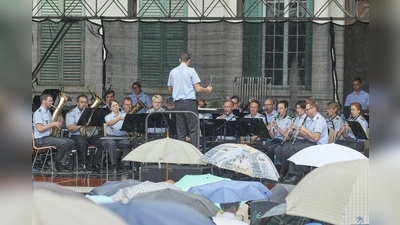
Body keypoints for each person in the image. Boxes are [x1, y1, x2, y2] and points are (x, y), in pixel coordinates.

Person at [167, 51, 212, 149]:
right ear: (189, 61)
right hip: (189, 103)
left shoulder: (173, 71)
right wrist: (207, 89)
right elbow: (198, 89)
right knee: (193, 130)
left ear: (179, 60)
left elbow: (170, 88)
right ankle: (194, 156)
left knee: (181, 130)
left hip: (177, 104)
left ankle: (181, 156)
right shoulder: (191, 71)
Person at [283, 99, 328, 184]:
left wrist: (305, 130)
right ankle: (290, 173)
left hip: (317, 145)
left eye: (307, 110)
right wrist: (299, 131)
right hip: (311, 142)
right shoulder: (314, 119)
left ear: (314, 108)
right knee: (291, 149)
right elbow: (308, 136)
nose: (306, 112)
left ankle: (296, 175)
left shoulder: (319, 120)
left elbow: (316, 138)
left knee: (295, 150)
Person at [32, 93, 75, 172]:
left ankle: (58, 160)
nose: (52, 103)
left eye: (52, 101)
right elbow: (40, 129)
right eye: (50, 101)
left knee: (71, 142)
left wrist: (60, 120)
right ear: (43, 101)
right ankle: (58, 163)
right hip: (41, 139)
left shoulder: (48, 112)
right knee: (63, 143)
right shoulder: (38, 113)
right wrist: (53, 124)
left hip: (48, 137)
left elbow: (54, 123)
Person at [65, 94, 103, 172]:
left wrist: (93, 122)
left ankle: (95, 164)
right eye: (82, 102)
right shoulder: (71, 113)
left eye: (86, 102)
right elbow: (70, 128)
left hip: (91, 135)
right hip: (77, 135)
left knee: (103, 143)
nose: (84, 104)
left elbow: (99, 125)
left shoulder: (91, 112)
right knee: (82, 143)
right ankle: (83, 164)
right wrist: (82, 124)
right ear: (77, 103)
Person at [275, 100, 308, 180]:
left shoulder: (306, 119)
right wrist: (289, 131)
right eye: (297, 108)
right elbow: (291, 134)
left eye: (300, 108)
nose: (298, 110)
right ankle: (285, 167)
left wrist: (295, 129)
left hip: (302, 140)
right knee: (278, 149)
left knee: (285, 150)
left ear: (304, 109)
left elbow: (306, 133)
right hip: (294, 139)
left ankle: (284, 173)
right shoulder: (296, 118)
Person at [102, 100, 131, 175]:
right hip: (110, 137)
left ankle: (126, 166)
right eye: (113, 106)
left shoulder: (125, 115)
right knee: (111, 144)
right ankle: (114, 166)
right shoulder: (108, 116)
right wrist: (118, 118)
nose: (116, 107)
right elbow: (110, 123)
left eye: (117, 105)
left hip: (122, 137)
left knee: (127, 144)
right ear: (110, 108)